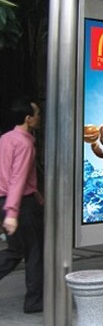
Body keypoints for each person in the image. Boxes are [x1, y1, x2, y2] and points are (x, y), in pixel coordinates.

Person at [0, 97, 43, 313]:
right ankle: (34, 301)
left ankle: (35, 300)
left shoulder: (5, 138)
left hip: (6, 199)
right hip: (19, 204)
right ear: (28, 119)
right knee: (34, 252)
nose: (39, 118)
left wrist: (36, 194)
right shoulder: (25, 144)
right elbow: (17, 178)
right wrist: (12, 212)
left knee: (16, 250)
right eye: (37, 114)